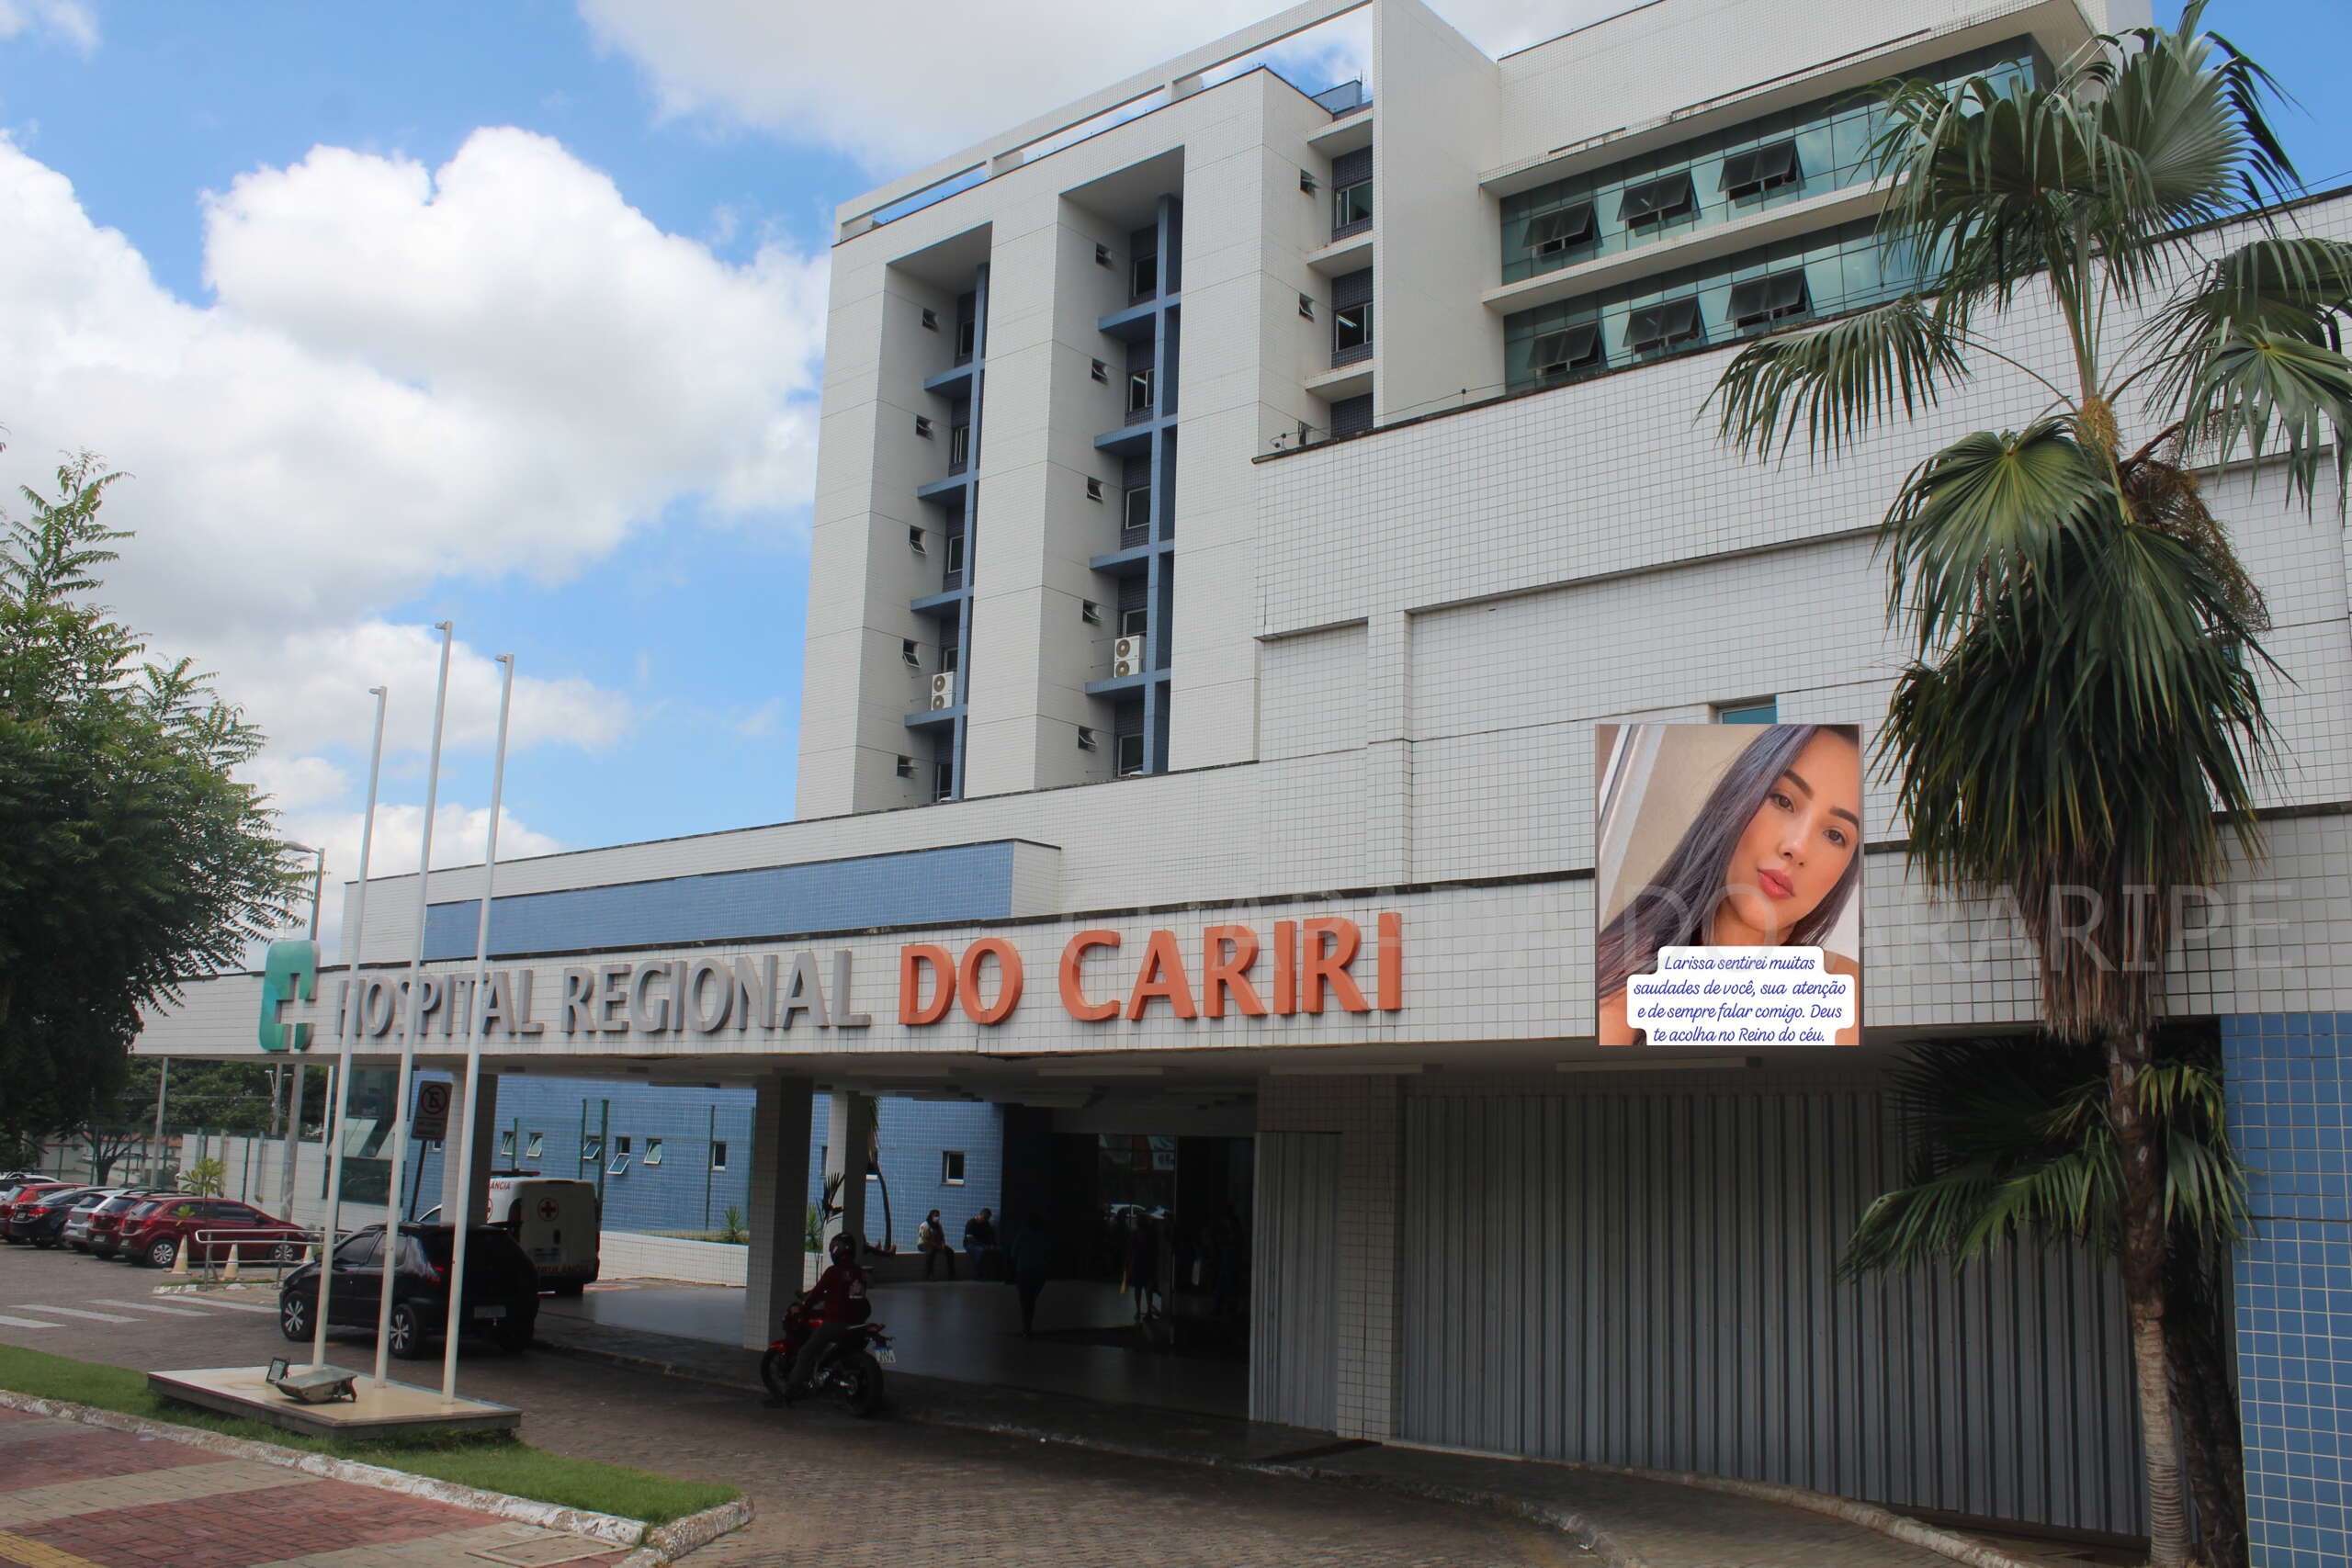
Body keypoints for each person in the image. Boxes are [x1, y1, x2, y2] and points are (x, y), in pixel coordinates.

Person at [1597, 725, 1863, 1046]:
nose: (1798, 847)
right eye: (1782, 800)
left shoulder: (1843, 990)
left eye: (1836, 835)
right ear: (1740, 794)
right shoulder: (1620, 977)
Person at [777, 1231, 870, 1402]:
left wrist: (803, 1308)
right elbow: (845, 1294)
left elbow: (815, 1294)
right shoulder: (860, 1272)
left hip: (837, 1323)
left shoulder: (833, 1272)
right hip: (858, 1323)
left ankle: (790, 1391)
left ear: (836, 1251)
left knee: (806, 1352)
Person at [1010, 1211, 1052, 1339]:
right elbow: (1048, 1254)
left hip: (1023, 1271)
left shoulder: (1022, 1235)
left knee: (1025, 1300)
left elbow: (1013, 1253)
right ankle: (1028, 1327)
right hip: (1039, 1271)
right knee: (1032, 1299)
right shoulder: (1044, 1236)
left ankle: (1026, 1328)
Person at [963, 1207, 1001, 1280]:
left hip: (981, 1245)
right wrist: (984, 1246)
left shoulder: (986, 1224)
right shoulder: (971, 1223)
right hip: (969, 1244)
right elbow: (970, 1239)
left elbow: (991, 1235)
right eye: (985, 1218)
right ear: (981, 1215)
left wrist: (992, 1245)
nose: (986, 1220)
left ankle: (990, 1274)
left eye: (987, 1218)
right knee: (980, 1251)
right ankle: (978, 1274)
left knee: (992, 1251)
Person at [918, 1208, 956, 1280]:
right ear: (931, 1216)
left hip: (936, 1245)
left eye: (938, 1215)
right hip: (923, 1245)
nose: (937, 1217)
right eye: (935, 1215)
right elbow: (925, 1240)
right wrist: (937, 1246)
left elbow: (942, 1236)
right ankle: (929, 1275)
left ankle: (952, 1274)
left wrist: (943, 1244)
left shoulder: (938, 1225)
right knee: (931, 1252)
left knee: (950, 1252)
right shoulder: (924, 1225)